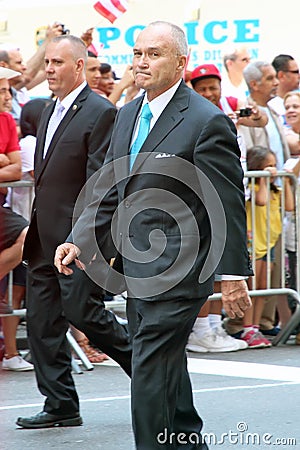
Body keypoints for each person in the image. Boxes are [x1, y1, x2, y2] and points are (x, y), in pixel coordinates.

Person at [54, 21, 252, 449]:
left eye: (154, 53)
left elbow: (228, 202)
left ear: (180, 63)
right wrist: (79, 238)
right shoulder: (126, 114)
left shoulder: (206, 120)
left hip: (183, 268)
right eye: (138, 53)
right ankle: (186, 440)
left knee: (148, 365)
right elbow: (110, 189)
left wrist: (233, 273)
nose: (141, 62)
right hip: (137, 267)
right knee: (166, 366)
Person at [15, 35, 132, 430]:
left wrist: (85, 239)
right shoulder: (48, 110)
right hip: (43, 239)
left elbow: (100, 182)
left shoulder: (101, 111)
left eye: (57, 63)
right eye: (46, 62)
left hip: (77, 241)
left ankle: (150, 374)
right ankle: (61, 404)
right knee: (42, 323)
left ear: (79, 66)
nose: (48, 69)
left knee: (86, 313)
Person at [244, 145, 298, 347]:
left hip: (269, 244)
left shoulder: (276, 189)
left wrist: (284, 180)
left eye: (275, 165)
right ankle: (247, 328)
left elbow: (290, 207)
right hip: (253, 243)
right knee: (253, 287)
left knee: (264, 288)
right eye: (269, 166)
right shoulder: (254, 188)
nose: (274, 170)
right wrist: (264, 180)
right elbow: (260, 201)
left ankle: (256, 327)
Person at [269, 54, 300, 125]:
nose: (299, 76)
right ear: (281, 75)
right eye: (296, 72)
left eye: (295, 107)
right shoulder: (269, 106)